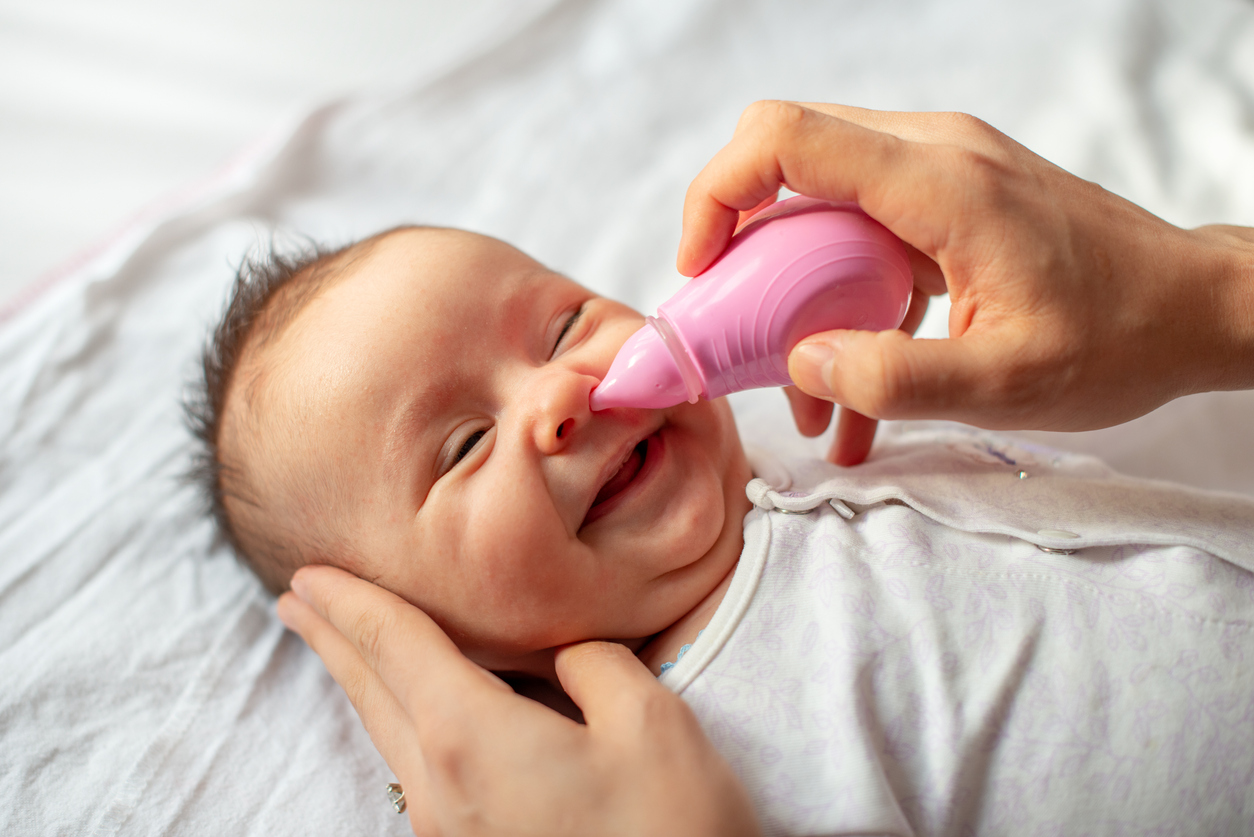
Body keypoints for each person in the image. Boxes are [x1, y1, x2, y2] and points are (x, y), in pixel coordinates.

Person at [269, 102, 1254, 836]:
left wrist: (1203, 287)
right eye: (463, 446)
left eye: (564, 324)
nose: (558, 394)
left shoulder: (830, 441)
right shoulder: (702, 759)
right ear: (426, 642)